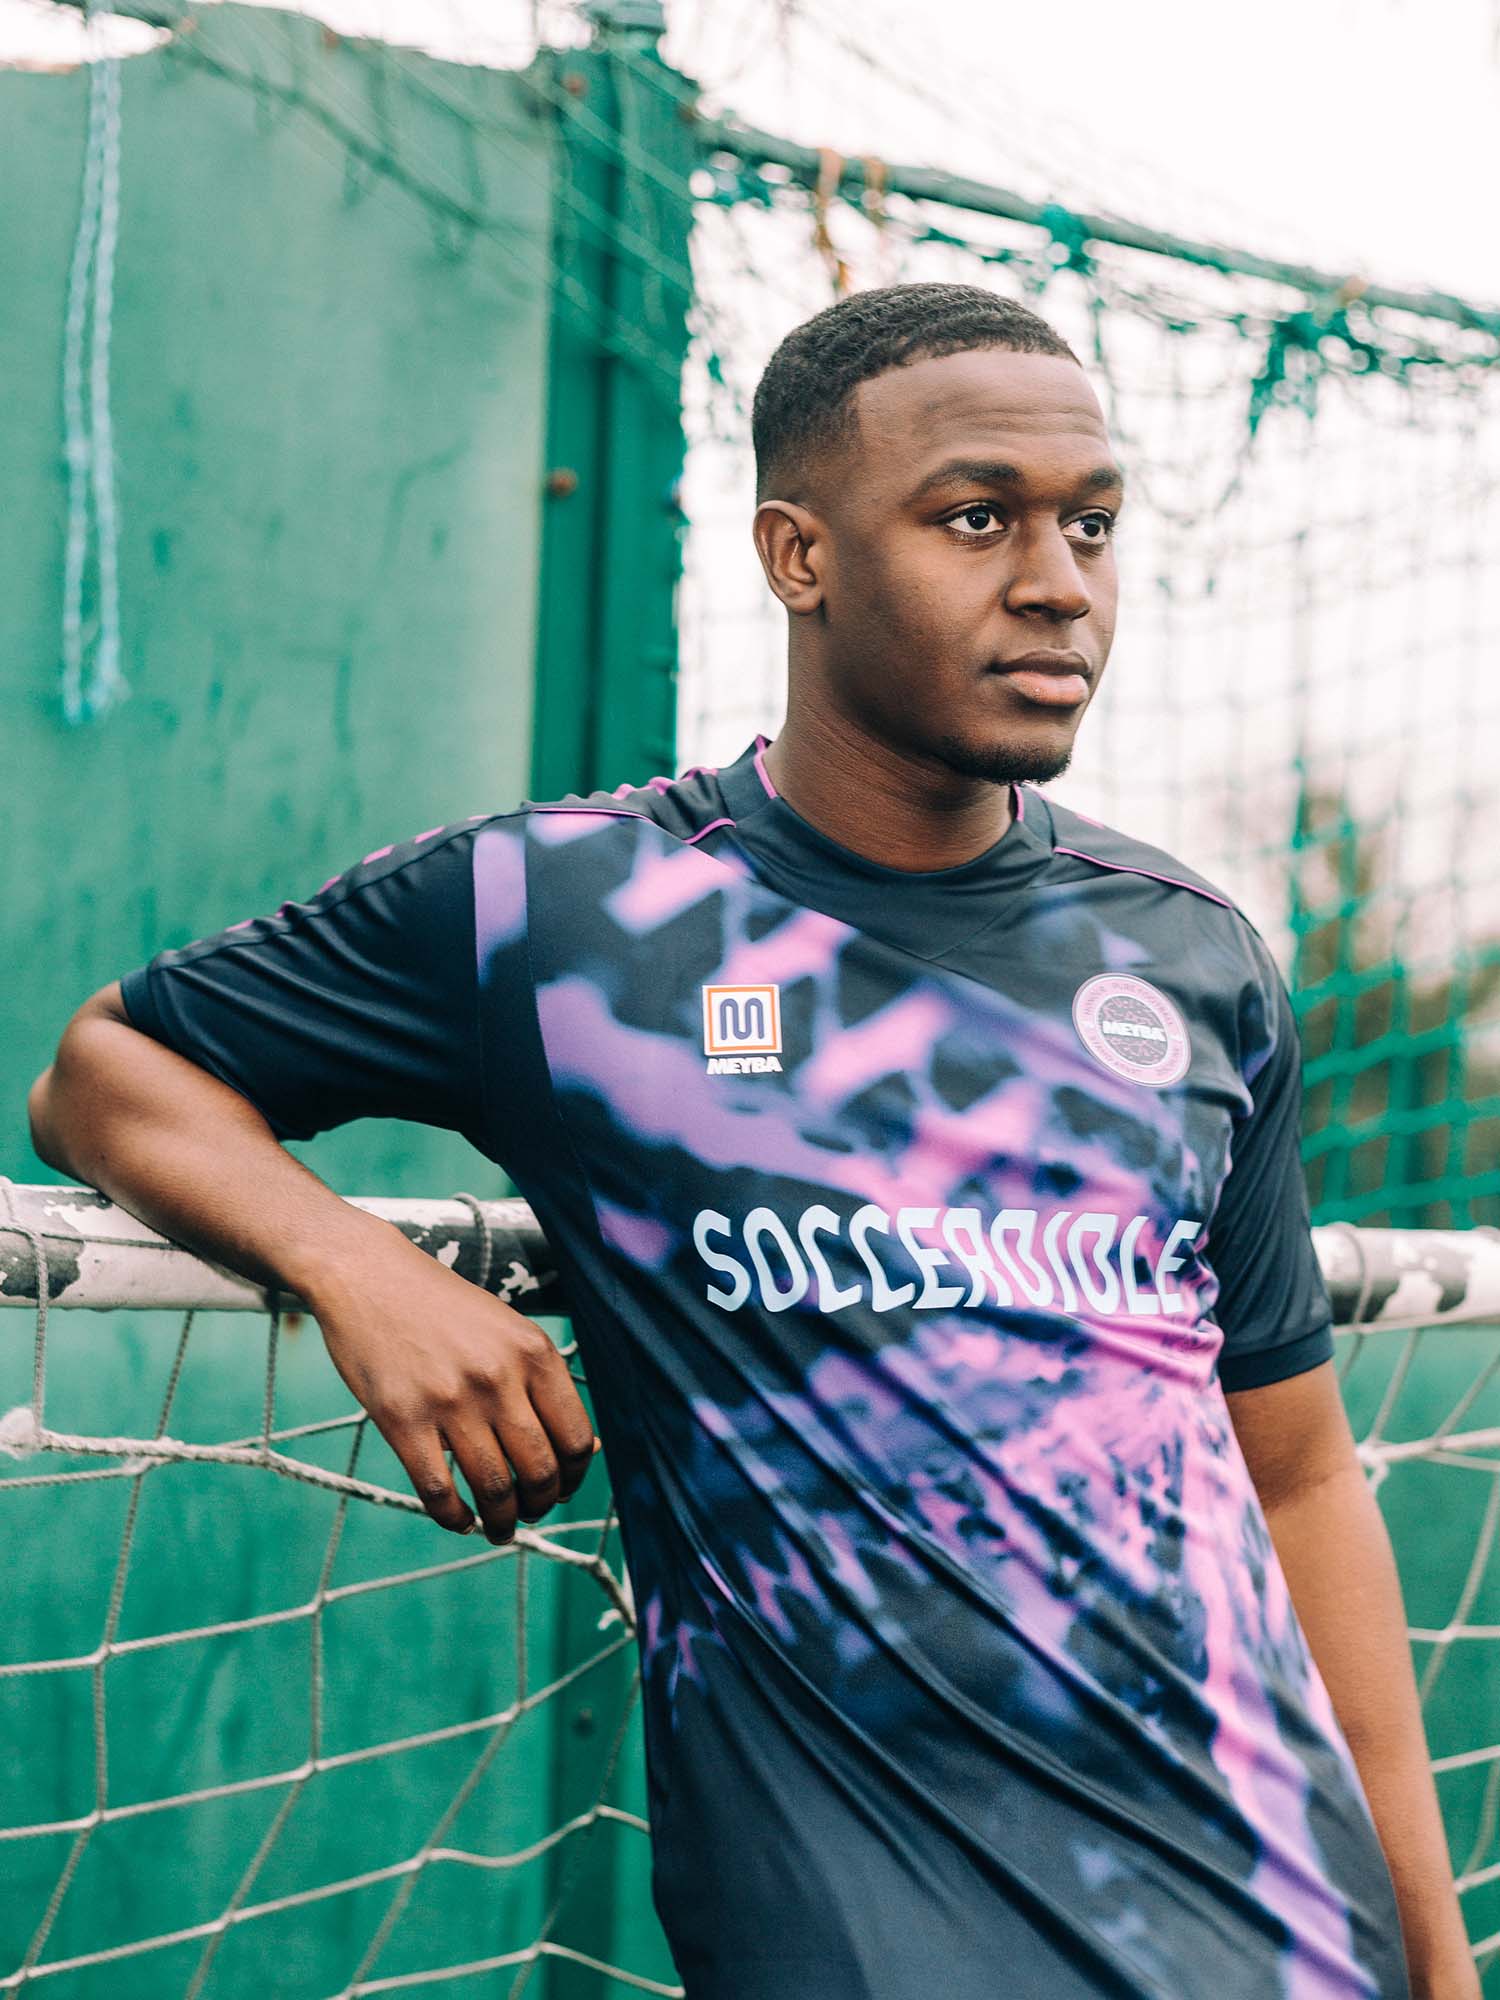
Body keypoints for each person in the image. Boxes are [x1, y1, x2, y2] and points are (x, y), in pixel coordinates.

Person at [29, 283, 1475, 2000]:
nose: (1058, 581)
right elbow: (105, 1072)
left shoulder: (1188, 954)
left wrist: (1431, 1951)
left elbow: (1296, 1473)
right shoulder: (574, 912)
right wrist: (358, 1266)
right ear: (800, 556)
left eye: (1091, 524)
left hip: (1275, 1928)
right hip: (861, 1927)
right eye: (978, 518)